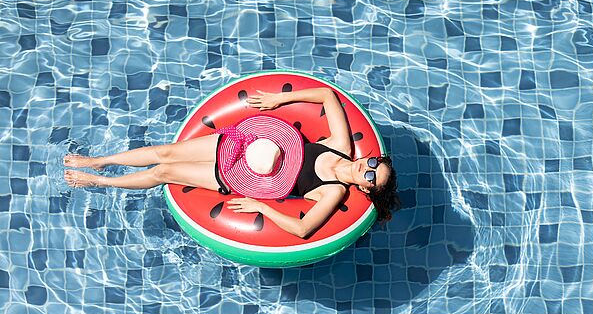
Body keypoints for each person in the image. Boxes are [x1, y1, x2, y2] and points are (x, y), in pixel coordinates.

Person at [63, 87, 400, 237]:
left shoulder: (333, 192)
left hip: (240, 175)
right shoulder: (341, 147)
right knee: (165, 151)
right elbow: (329, 96)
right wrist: (280, 99)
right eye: (373, 163)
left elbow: (302, 229)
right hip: (246, 142)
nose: (366, 168)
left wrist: (261, 206)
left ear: (365, 188)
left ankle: (101, 182)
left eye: (371, 176)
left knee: (164, 171)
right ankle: (99, 161)